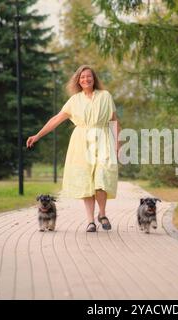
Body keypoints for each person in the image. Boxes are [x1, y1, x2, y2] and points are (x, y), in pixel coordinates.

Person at [26, 65, 121, 232]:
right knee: (86, 183)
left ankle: (103, 214)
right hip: (81, 143)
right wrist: (38, 135)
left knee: (102, 179)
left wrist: (118, 143)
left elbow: (114, 121)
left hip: (103, 140)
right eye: (82, 77)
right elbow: (55, 120)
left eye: (89, 76)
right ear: (78, 80)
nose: (86, 79)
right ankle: (90, 221)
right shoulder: (74, 100)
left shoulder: (105, 96)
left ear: (94, 79)